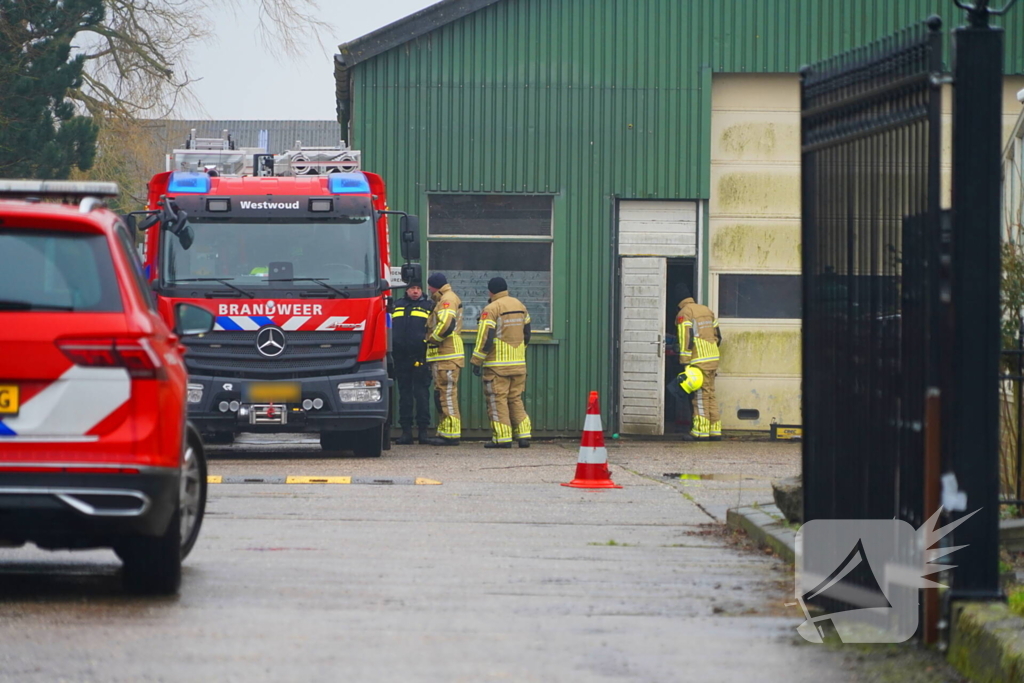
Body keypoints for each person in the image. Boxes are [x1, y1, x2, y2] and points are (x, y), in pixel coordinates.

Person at [470, 277, 532, 449]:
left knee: (497, 400)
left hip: (497, 366)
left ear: (491, 291)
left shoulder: (491, 309)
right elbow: (527, 333)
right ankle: (524, 435)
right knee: (515, 399)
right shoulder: (520, 305)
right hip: (519, 363)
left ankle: (502, 438)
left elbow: (486, 338)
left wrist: (476, 361)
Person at [675, 283, 722, 441]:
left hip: (698, 360)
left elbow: (685, 337)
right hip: (712, 357)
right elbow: (718, 336)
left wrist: (685, 360)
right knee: (710, 394)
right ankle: (715, 430)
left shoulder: (685, 312)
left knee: (700, 397)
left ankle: (700, 432)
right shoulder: (706, 310)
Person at [422, 272, 464, 446]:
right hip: (442, 356)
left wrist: (431, 339)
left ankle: (451, 434)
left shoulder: (447, 299)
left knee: (446, 394)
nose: (429, 289)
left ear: (434, 286)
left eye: (430, 286)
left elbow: (446, 325)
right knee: (441, 394)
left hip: (447, 354)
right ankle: (445, 431)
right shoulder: (443, 298)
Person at [391, 279, 434, 445]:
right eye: (412, 288)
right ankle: (406, 432)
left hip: (420, 357)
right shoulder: (397, 305)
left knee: (422, 394)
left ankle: (423, 431)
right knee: (405, 395)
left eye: (418, 288)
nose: (415, 291)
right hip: (401, 357)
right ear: (406, 290)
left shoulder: (429, 306)